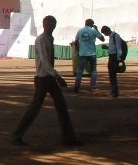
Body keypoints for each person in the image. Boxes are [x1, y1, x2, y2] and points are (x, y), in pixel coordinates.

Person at [12, 16, 81, 146]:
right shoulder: (41, 39)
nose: (49, 27)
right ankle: (16, 135)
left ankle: (68, 138)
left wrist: (54, 76)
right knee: (35, 108)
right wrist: (57, 76)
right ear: (44, 25)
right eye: (47, 24)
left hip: (48, 78)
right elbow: (44, 61)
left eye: (51, 24)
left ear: (54, 26)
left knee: (60, 106)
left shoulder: (49, 38)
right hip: (43, 78)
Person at [73, 18, 105, 93]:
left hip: (82, 53)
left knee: (79, 71)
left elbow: (76, 41)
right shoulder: (93, 31)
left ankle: (76, 87)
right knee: (93, 70)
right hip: (92, 53)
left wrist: (78, 50)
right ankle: (93, 87)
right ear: (92, 24)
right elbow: (102, 39)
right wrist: (96, 29)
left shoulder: (80, 30)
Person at [100, 25, 128, 98]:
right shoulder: (111, 37)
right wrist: (107, 48)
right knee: (111, 75)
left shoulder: (116, 36)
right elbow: (113, 47)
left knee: (112, 74)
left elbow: (118, 48)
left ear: (107, 31)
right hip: (112, 56)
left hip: (114, 57)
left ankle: (115, 92)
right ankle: (113, 91)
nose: (105, 35)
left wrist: (119, 59)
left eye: (104, 33)